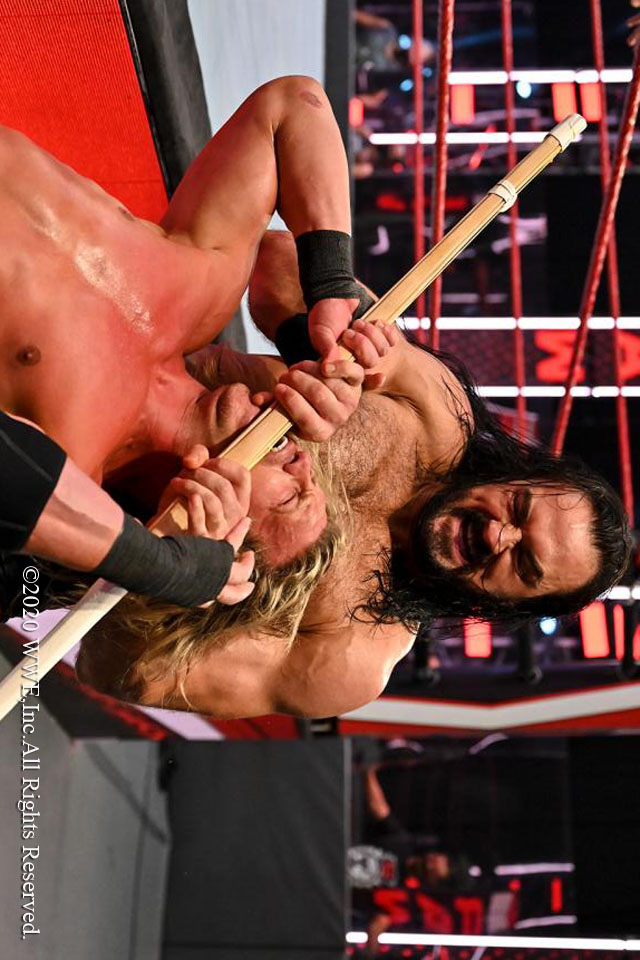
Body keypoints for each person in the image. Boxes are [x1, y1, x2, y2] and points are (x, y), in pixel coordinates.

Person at [77, 227, 632, 716]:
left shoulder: (351, 657)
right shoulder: (436, 411)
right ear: (514, 476)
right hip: (118, 355)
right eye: (519, 509)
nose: (498, 536)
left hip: (75, 491)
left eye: (524, 562)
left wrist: (179, 569)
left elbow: (112, 667)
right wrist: (322, 337)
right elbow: (275, 257)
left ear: (508, 606)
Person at [0, 75, 387, 616]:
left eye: (291, 496)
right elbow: (290, 106)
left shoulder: (65, 468)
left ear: (215, 536)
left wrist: (158, 563)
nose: (304, 461)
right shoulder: (201, 295)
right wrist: (331, 286)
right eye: (314, 477)